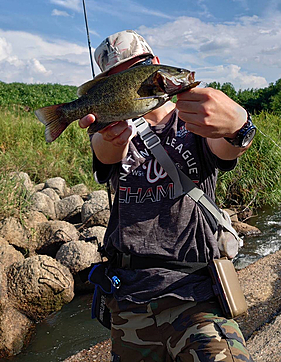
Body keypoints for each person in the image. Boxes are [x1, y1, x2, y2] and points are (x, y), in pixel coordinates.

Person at [79, 30, 255, 362]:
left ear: (156, 64)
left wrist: (238, 125)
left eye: (138, 68)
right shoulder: (110, 132)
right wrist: (109, 137)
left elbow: (227, 146)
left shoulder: (196, 121)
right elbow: (104, 152)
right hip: (128, 298)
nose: (131, 81)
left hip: (197, 295)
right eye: (116, 78)